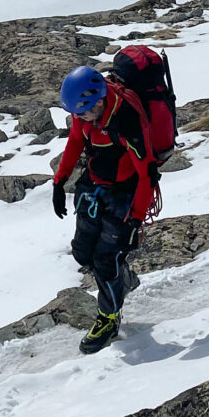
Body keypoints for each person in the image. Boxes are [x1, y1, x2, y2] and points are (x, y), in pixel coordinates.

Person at [48, 64, 159, 354]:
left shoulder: (127, 120)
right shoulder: (85, 114)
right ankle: (123, 281)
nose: (78, 118)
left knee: (105, 259)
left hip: (125, 194)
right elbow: (75, 142)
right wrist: (59, 182)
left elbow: (147, 175)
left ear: (98, 102)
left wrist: (135, 220)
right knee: (83, 252)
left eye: (82, 112)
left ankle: (109, 318)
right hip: (95, 185)